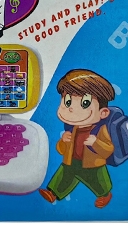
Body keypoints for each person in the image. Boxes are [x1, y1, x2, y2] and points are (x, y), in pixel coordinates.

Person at [39, 69, 116, 208]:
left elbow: (108, 150)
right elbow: (61, 150)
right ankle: (53, 193)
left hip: (93, 165)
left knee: (99, 182)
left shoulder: (100, 130)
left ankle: (105, 195)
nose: (71, 109)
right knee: (64, 176)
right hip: (71, 161)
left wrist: (96, 143)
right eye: (67, 102)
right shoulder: (72, 129)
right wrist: (63, 142)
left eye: (85, 103)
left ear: (103, 112)